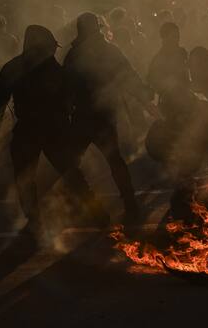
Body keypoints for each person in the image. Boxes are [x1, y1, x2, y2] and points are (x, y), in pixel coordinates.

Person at [0, 25, 84, 237]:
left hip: (29, 129)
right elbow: (71, 99)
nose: (53, 51)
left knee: (26, 178)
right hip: (53, 128)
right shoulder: (54, 68)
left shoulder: (14, 67)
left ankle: (34, 220)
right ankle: (92, 208)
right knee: (67, 170)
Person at [64, 13, 154, 225]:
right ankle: (128, 203)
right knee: (114, 160)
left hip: (85, 116)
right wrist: (144, 96)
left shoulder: (74, 54)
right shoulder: (107, 51)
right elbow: (128, 76)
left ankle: (96, 209)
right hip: (101, 115)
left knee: (70, 163)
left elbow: (64, 87)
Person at [147, 22, 193, 120]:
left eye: (178, 36)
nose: (177, 39)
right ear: (164, 38)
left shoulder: (182, 53)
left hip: (186, 101)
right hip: (169, 105)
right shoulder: (158, 60)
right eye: (174, 36)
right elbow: (152, 82)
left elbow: (188, 74)